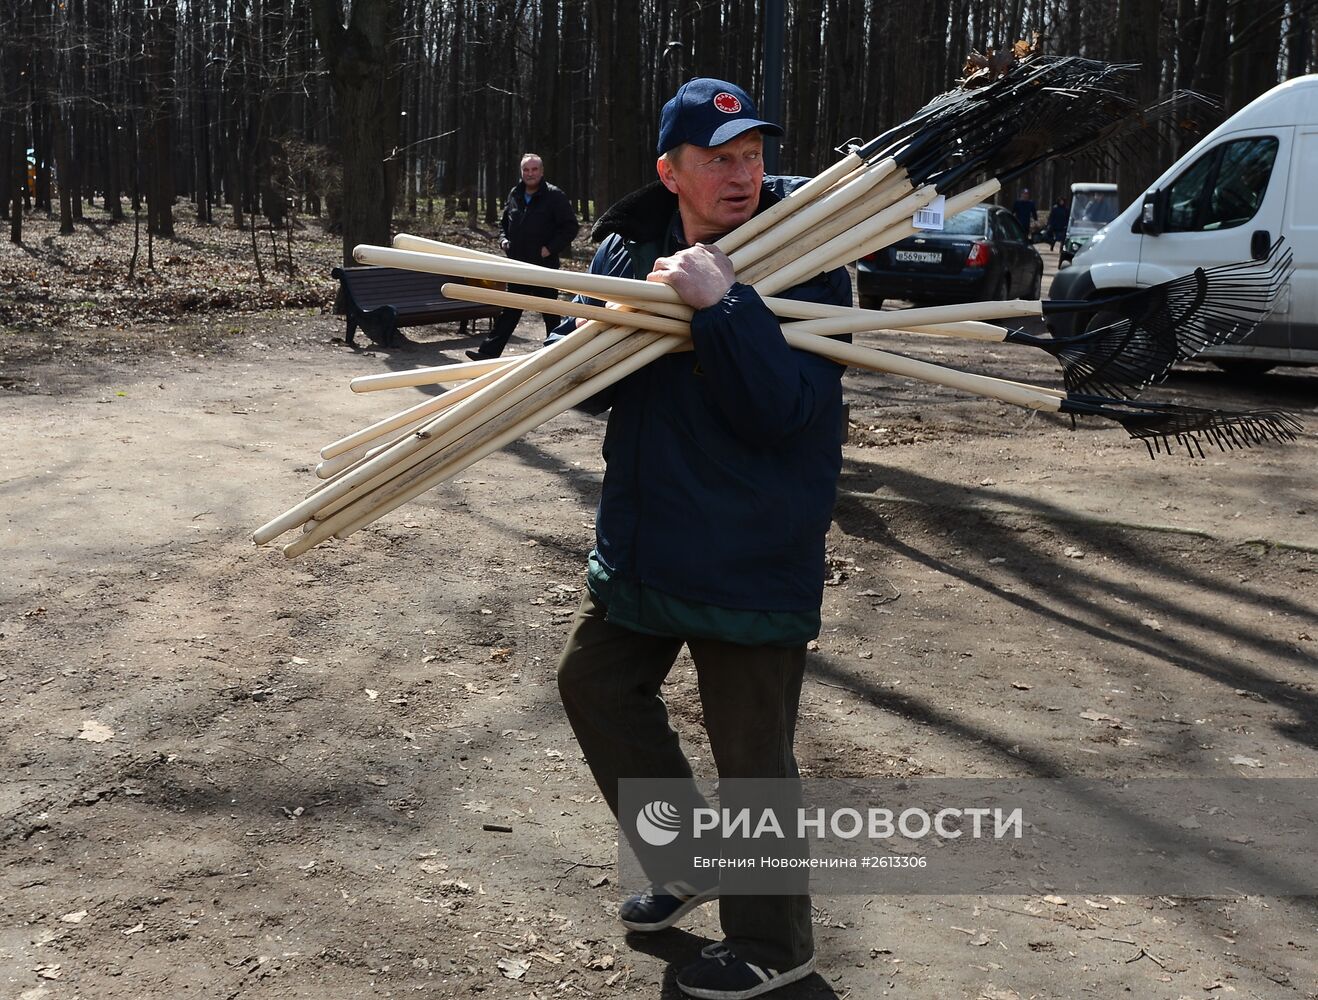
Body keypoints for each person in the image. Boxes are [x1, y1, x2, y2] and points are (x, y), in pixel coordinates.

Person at [554, 78, 851, 999]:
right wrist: (595, 328)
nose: (744, 174)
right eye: (719, 159)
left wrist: (724, 307)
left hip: (751, 551)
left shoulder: (809, 258)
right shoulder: (628, 246)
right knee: (595, 684)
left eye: (753, 155)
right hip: (649, 538)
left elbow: (784, 412)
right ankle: (680, 857)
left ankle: (774, 941)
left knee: (752, 753)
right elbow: (587, 388)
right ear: (670, 172)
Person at [466, 153, 579, 360]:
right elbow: (504, 225)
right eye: (526, 170)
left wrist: (551, 248)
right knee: (510, 312)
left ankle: (559, 355)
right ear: (521, 172)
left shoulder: (554, 196)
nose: (530, 174)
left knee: (550, 312)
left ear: (542, 171)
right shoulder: (515, 194)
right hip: (517, 265)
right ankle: (487, 354)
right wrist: (503, 240)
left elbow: (570, 227)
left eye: (534, 169)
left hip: (544, 266)